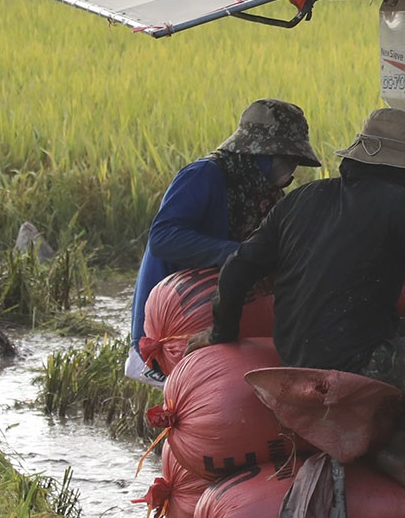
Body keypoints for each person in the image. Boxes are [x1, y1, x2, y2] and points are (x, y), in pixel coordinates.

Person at [200, 108, 405, 518]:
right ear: (401, 171)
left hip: (298, 354)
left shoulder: (303, 199)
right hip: (359, 357)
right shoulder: (397, 205)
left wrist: (221, 335)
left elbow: (235, 271)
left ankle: (402, 443)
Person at [126, 98, 319, 382]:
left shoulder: (266, 194)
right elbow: (163, 239)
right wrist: (237, 255)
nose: (292, 170)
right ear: (263, 152)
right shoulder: (204, 175)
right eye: (288, 160)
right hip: (172, 322)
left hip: (216, 317)